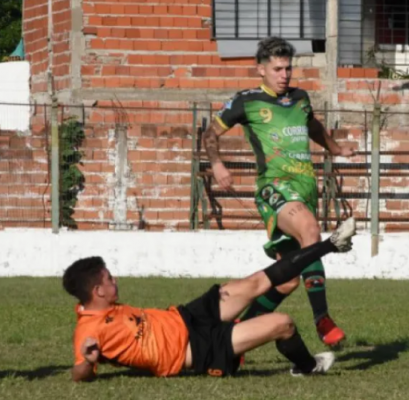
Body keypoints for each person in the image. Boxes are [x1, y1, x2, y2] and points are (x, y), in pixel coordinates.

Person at [63, 217, 356, 382]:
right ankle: (307, 366)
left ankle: (331, 244)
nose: (115, 281)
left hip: (188, 315)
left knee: (255, 282)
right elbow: (79, 373)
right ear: (97, 292)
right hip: (194, 349)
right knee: (284, 324)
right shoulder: (88, 331)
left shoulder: (109, 307)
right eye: (109, 279)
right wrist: (87, 364)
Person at [201, 37, 356, 347]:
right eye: (277, 69)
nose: (285, 74)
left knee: (286, 281)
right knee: (310, 228)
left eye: (288, 68)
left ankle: (234, 336)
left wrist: (337, 148)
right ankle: (322, 319)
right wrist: (217, 164)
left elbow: (312, 127)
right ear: (261, 69)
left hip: (304, 188)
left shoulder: (300, 97)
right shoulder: (247, 100)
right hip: (274, 187)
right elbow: (210, 133)